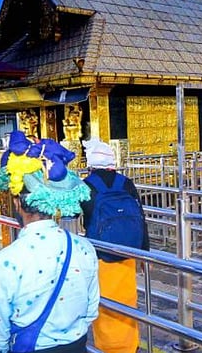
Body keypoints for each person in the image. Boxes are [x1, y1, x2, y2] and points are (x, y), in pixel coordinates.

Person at [0, 141, 99, 353]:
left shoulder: (6, 260)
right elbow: (91, 311)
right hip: (77, 345)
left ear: (17, 202)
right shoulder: (84, 247)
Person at [80, 138, 148, 353]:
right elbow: (140, 218)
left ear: (91, 164)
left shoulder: (87, 185)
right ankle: (130, 345)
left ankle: (108, 347)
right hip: (128, 252)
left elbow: (78, 215)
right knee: (127, 299)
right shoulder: (126, 182)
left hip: (100, 252)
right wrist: (145, 253)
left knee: (105, 301)